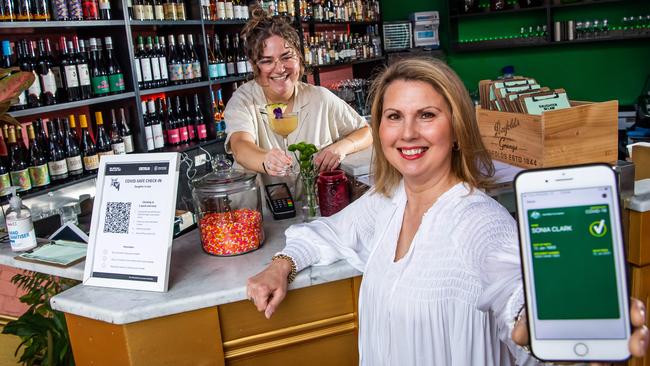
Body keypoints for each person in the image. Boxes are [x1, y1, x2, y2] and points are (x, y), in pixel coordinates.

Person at [246, 58, 649, 365]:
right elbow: (328, 234)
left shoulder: (481, 223)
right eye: (394, 117)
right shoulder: (389, 199)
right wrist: (281, 264)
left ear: (456, 128)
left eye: (426, 115)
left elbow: (513, 289)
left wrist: (540, 317)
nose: (407, 133)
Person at [224, 7, 372, 177]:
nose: (280, 69)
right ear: (253, 65)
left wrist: (341, 147)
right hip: (259, 203)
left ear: (299, 57)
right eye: (267, 61)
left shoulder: (320, 98)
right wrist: (265, 160)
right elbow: (240, 146)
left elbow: (366, 132)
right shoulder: (243, 100)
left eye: (287, 57)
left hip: (314, 202)